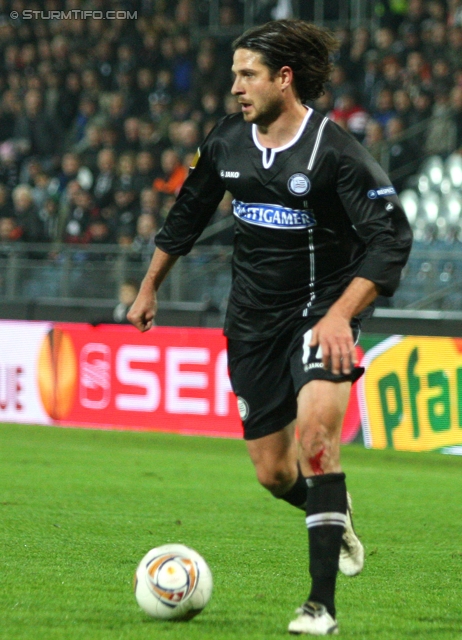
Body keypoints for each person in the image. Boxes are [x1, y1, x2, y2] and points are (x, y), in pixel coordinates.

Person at [128, 19, 412, 636]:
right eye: (234, 75)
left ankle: (320, 606)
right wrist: (150, 284)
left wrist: (341, 314)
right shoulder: (228, 141)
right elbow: (188, 213)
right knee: (275, 473)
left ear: (285, 79)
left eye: (247, 74)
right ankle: (331, 512)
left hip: (320, 315)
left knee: (317, 440)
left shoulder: (335, 153)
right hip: (251, 322)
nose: (235, 87)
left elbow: (391, 239)